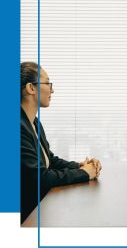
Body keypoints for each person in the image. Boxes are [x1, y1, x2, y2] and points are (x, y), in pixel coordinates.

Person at [21, 62, 102, 223]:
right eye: (47, 83)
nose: (52, 90)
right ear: (31, 88)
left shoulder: (34, 122)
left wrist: (80, 165)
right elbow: (40, 178)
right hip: (26, 218)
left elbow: (50, 160)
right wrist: (85, 173)